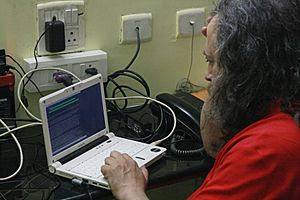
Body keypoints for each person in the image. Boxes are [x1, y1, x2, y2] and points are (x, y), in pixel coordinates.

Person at [100, 0, 300, 199]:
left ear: (244, 67)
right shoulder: (281, 105)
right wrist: (218, 30)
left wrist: (129, 190)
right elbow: (214, 145)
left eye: (212, 61)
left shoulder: (263, 151)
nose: (208, 76)